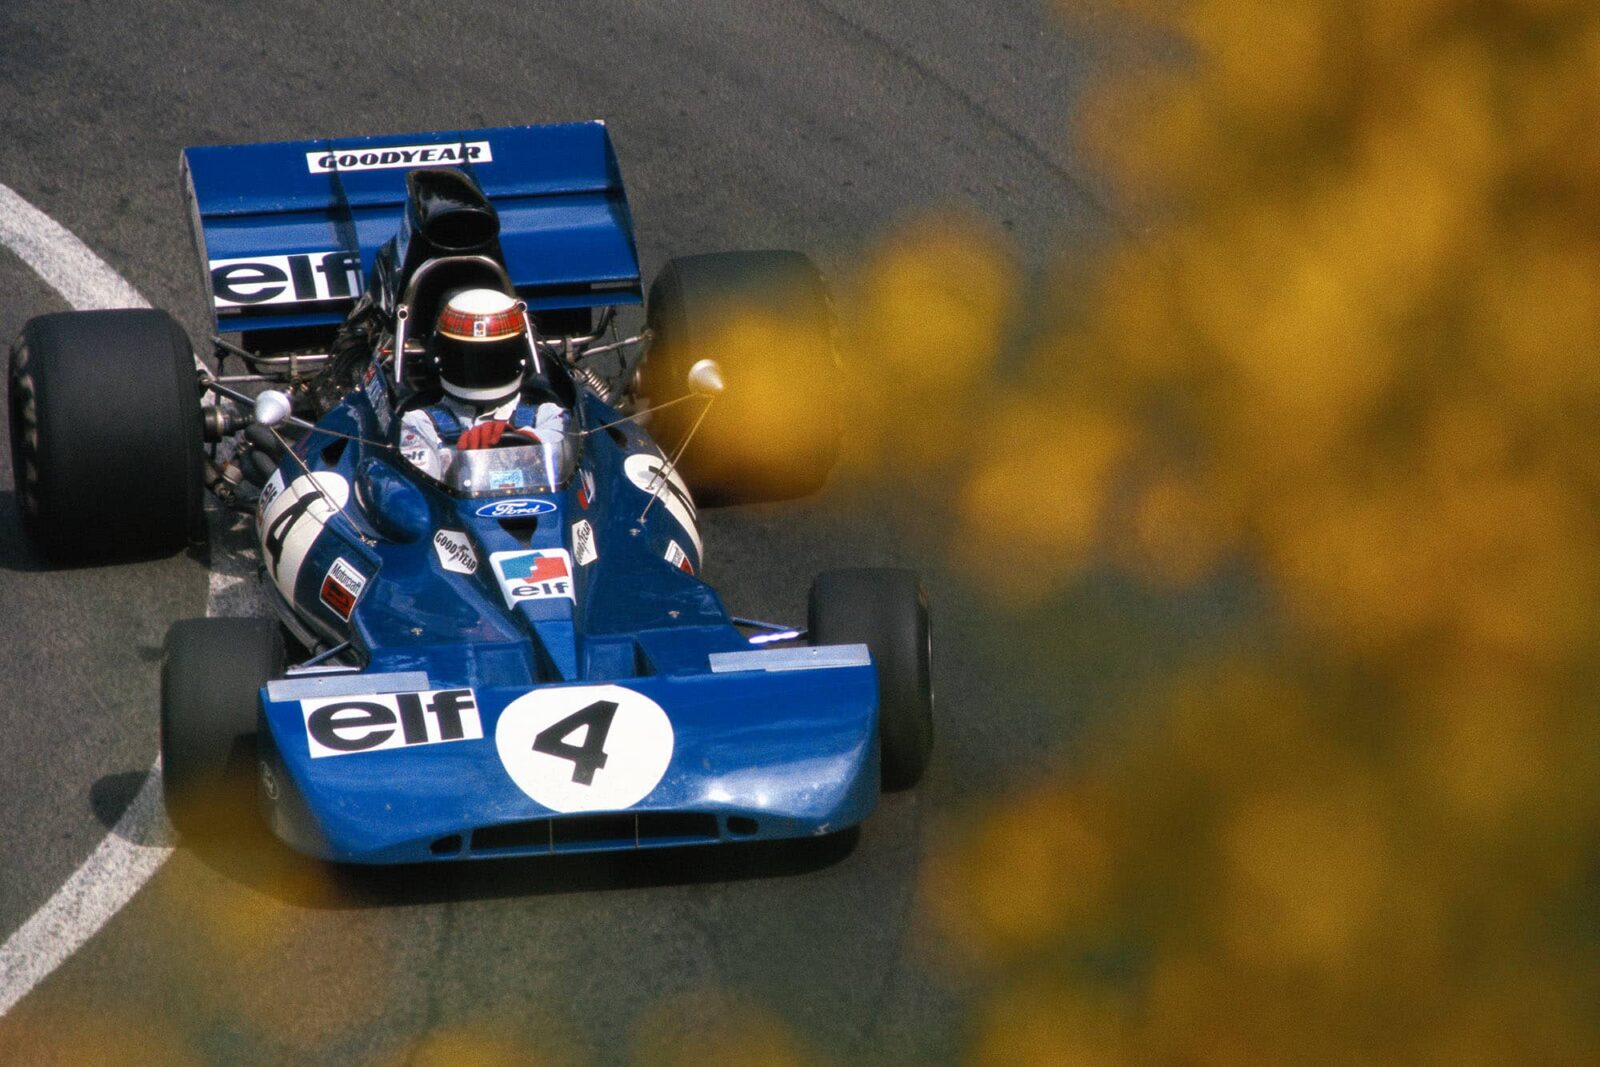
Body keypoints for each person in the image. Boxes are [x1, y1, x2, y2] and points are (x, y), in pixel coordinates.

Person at [399, 288, 568, 480]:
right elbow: (421, 486)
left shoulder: (546, 414)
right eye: (466, 358)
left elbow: (561, 447)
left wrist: (528, 443)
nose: (480, 369)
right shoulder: (419, 423)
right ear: (441, 355)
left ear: (520, 355)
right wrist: (458, 463)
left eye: (495, 359)